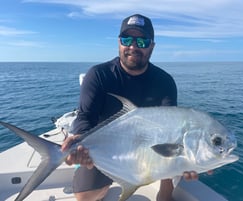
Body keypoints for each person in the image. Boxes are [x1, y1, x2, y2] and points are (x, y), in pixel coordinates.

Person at [62, 14, 203, 201]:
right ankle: (108, 180)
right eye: (126, 39)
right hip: (108, 146)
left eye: (142, 41)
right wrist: (80, 139)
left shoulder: (165, 81)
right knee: (85, 197)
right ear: (119, 43)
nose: (133, 46)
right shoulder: (98, 75)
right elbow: (85, 116)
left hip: (151, 148)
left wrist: (192, 161)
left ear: (152, 46)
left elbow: (172, 130)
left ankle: (164, 192)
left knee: (171, 169)